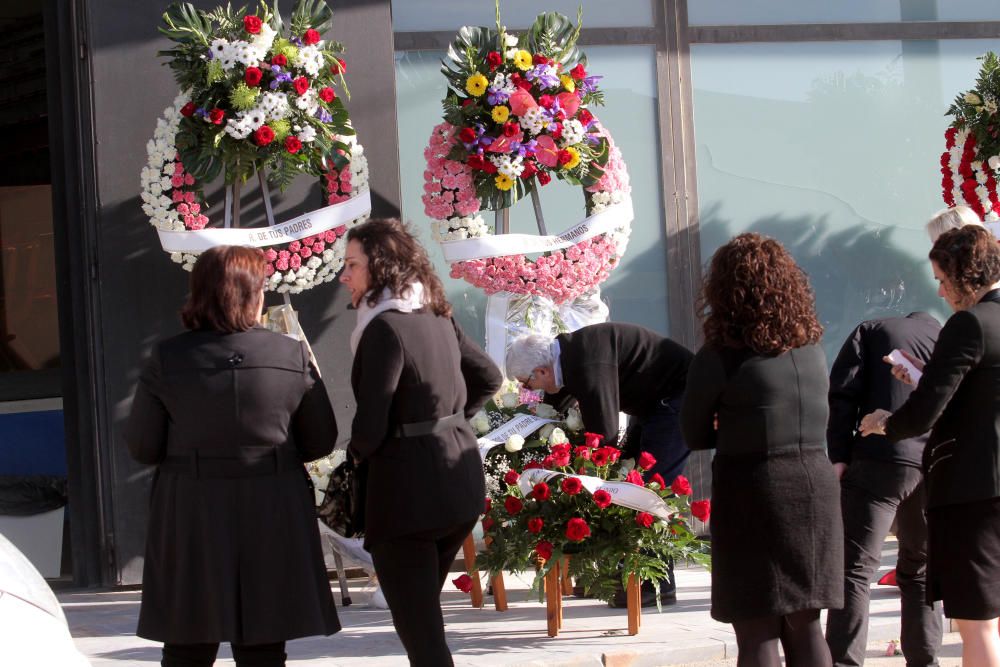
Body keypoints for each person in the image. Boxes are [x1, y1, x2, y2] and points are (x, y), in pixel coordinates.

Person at [124, 245, 340, 667]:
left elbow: (143, 446)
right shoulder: (291, 354)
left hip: (191, 505)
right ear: (254, 294)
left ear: (198, 293)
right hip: (272, 502)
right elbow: (321, 440)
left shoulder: (168, 357)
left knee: (187, 641)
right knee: (263, 643)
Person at [340, 219, 502, 667]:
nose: (344, 276)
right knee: (423, 623)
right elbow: (489, 376)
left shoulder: (383, 328)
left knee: (424, 639)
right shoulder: (435, 313)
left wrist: (351, 458)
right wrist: (449, 422)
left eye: (352, 264)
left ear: (381, 267)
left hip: (409, 498)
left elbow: (370, 430)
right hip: (459, 487)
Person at [680, 233, 842, 667]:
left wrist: (729, 424)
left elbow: (694, 433)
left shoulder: (719, 357)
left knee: (757, 630)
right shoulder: (811, 350)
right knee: (807, 624)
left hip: (753, 489)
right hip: (815, 486)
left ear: (723, 292)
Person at [861, 225, 1000, 667]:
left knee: (978, 623)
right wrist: (928, 375)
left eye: (942, 279)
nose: (939, 291)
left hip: (975, 491)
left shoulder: (969, 323)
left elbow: (924, 413)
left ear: (965, 276)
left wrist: (886, 423)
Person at [505, 322, 693, 607]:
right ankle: (609, 575)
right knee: (630, 482)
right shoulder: (565, 355)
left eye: (527, 382)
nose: (529, 388)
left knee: (650, 488)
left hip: (678, 400)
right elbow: (556, 406)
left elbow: (602, 437)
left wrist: (584, 476)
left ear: (541, 370)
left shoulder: (586, 362)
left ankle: (656, 584)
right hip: (655, 403)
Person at [824, 313, 943, 667]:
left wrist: (839, 456)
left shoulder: (870, 330)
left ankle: (845, 662)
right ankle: (925, 660)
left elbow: (842, 393)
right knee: (919, 569)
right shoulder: (944, 335)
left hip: (879, 461)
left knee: (855, 571)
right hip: (930, 465)